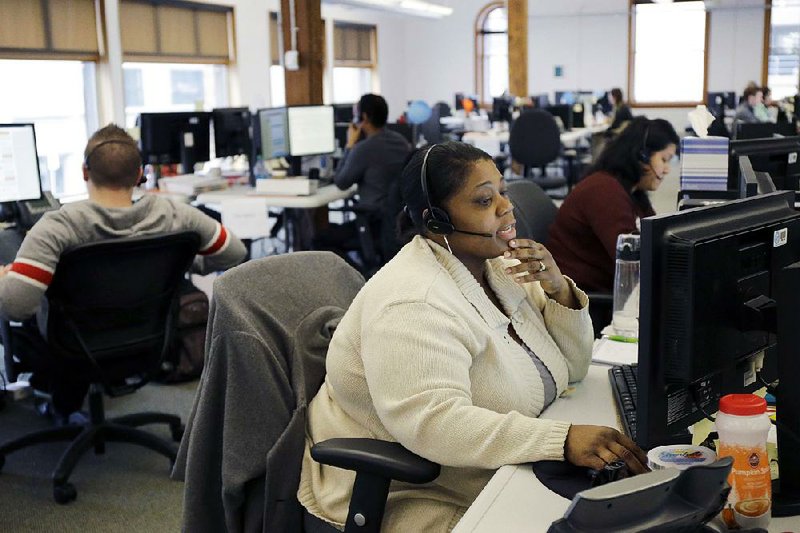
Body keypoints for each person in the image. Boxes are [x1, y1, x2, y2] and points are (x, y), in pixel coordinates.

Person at [298, 141, 649, 532]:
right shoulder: (414, 302)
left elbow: (575, 367)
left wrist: (558, 291)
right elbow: (433, 423)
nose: (506, 207)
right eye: (484, 201)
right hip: (418, 490)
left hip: (498, 466)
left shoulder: (501, 267)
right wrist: (559, 440)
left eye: (503, 191)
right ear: (437, 221)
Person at [0, 124, 247, 423]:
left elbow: (17, 306)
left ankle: (43, 401)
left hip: (70, 348)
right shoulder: (174, 214)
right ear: (139, 174)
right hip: (148, 340)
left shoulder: (57, 227)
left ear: (84, 172)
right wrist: (180, 261)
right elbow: (235, 252)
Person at [547, 117, 679, 294]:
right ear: (642, 156)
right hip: (583, 298)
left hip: (604, 288)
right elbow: (631, 259)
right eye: (664, 159)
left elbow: (653, 238)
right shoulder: (604, 191)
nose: (667, 169)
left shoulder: (633, 191)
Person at [313, 93, 412, 265]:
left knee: (318, 241)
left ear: (363, 117)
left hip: (372, 223)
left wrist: (349, 145)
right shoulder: (401, 142)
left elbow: (341, 182)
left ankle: (357, 276)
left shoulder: (363, 149)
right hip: (398, 223)